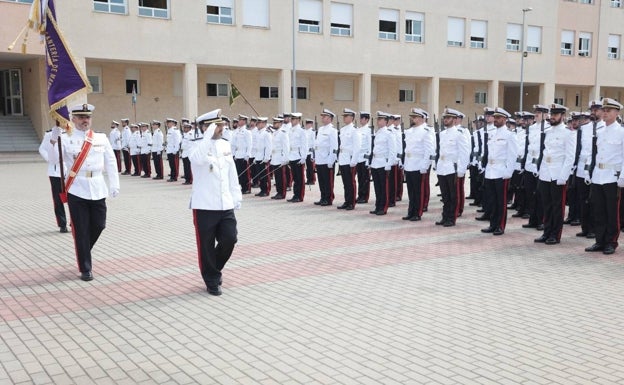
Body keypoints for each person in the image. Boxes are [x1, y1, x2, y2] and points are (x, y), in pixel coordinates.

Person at [47, 104, 120, 281]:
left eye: (87, 117)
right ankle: (85, 268)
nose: (84, 120)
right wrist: (53, 140)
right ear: (73, 119)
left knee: (99, 224)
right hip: (76, 188)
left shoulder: (101, 138)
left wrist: (114, 184)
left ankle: (83, 250)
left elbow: (111, 161)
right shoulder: (65, 138)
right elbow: (53, 160)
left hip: (97, 186)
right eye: (80, 117)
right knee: (81, 230)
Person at [189, 109, 242, 296]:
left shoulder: (225, 145)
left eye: (221, 125)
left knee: (230, 238)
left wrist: (237, 196)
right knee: (206, 245)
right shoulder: (194, 145)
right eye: (217, 125)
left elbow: (231, 173)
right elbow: (196, 160)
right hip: (204, 205)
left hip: (225, 203)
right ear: (206, 127)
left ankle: (213, 270)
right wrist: (206, 137)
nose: (222, 128)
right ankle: (211, 279)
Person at [584, 98, 624, 255]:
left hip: (613, 176)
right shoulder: (600, 132)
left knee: (612, 211)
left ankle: (611, 241)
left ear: (617, 113)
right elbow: (596, 155)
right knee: (598, 210)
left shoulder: (621, 132)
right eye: (604, 110)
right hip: (598, 175)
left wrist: (622, 177)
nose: (605, 113)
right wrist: (590, 171)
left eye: (609, 111)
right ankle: (599, 240)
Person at [532, 104, 575, 245]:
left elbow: (570, 157)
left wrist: (564, 176)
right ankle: (546, 231)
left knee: (557, 206)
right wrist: (541, 171)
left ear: (562, 116)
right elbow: (545, 153)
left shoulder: (568, 133)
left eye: (556, 114)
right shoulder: (548, 132)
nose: (553, 117)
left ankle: (555, 235)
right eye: (552, 114)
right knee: (547, 205)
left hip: (558, 174)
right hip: (545, 173)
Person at [480, 108, 518, 236]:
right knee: (491, 200)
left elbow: (512, 155)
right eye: (494, 117)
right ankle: (492, 224)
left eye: (498, 118)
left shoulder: (510, 135)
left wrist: (509, 172)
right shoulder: (492, 134)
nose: (495, 120)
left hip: (501, 172)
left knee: (501, 201)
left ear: (504, 119)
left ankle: (500, 225)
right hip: (491, 171)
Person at [435, 108, 470, 227]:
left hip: (452, 168)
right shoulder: (442, 134)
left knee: (453, 195)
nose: (446, 120)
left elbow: (464, 154)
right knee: (445, 196)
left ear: (455, 120)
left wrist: (461, 170)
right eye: (445, 118)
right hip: (442, 167)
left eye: (448, 118)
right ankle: (445, 216)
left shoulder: (459, 134)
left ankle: (452, 218)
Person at [402, 108, 434, 221]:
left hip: (419, 164)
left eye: (415, 117)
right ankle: (411, 212)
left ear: (421, 118)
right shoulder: (410, 131)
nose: (412, 119)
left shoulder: (426, 131)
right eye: (412, 117)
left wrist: (425, 166)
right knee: (411, 191)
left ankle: (417, 212)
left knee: (418, 191)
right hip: (409, 164)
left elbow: (429, 150)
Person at [39, 122, 68, 233]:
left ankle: (74, 222)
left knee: (74, 199)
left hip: (69, 171)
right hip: (55, 172)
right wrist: (50, 159)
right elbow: (42, 149)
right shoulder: (49, 134)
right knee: (58, 199)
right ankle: (62, 224)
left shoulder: (70, 134)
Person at [369, 112, 396, 215]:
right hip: (376, 162)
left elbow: (392, 151)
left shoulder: (389, 133)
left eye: (380, 119)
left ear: (386, 121)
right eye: (378, 119)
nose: (378, 121)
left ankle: (383, 207)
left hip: (383, 164)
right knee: (377, 187)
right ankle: (378, 206)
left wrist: (389, 164)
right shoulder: (378, 132)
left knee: (384, 187)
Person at [337, 108, 361, 210]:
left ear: (351, 118)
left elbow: (357, 147)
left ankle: (351, 202)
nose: (344, 118)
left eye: (346, 116)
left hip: (350, 159)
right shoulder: (343, 130)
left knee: (351, 182)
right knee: (345, 183)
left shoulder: (355, 130)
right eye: (344, 116)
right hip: (343, 158)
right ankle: (347, 201)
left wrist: (354, 161)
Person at [314, 109, 338, 206]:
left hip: (327, 159)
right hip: (320, 159)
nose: (322, 118)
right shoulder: (320, 129)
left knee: (328, 181)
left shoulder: (333, 130)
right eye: (322, 116)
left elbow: (334, 147)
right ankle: (323, 197)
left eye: (324, 116)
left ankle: (328, 198)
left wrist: (331, 160)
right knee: (321, 180)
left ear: (330, 118)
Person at [287, 112, 307, 202]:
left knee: (300, 178)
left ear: (298, 120)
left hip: (298, 156)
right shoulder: (290, 130)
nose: (292, 121)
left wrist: (303, 157)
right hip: (292, 155)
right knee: (295, 178)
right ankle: (296, 195)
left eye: (294, 119)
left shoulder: (302, 131)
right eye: (291, 119)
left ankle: (300, 196)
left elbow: (304, 145)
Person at [270, 117, 289, 199]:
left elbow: (286, 147)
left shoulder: (283, 133)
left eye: (276, 123)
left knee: (281, 177)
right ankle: (278, 192)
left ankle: (282, 193)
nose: (274, 124)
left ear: (280, 124)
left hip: (280, 158)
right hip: (275, 157)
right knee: (277, 177)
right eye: (274, 123)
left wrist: (285, 159)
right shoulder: (274, 133)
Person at [355, 112, 372, 203]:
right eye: (360, 118)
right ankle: (360, 195)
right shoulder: (358, 130)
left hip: (365, 158)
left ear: (367, 120)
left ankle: (364, 197)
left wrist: (368, 160)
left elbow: (369, 146)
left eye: (362, 118)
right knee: (359, 178)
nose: (360, 120)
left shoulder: (369, 131)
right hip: (358, 157)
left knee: (365, 179)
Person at [165, 118, 181, 182]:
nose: (167, 124)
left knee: (174, 164)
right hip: (169, 150)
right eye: (167, 123)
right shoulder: (169, 130)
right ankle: (172, 176)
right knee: (171, 164)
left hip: (173, 150)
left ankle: (174, 177)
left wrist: (176, 149)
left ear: (173, 123)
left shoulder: (175, 130)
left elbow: (177, 140)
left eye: (169, 123)